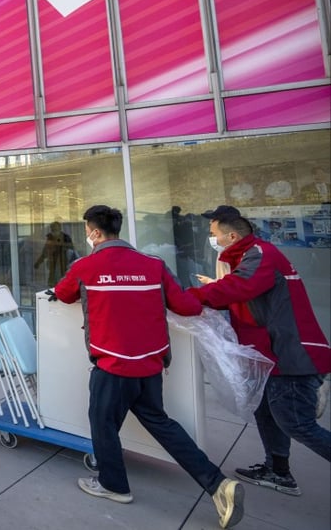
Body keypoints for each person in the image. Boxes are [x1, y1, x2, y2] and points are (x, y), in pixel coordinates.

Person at [51, 205, 243, 529]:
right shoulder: (153, 265)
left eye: (87, 231)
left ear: (95, 233)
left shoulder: (86, 266)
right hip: (151, 364)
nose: (87, 236)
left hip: (112, 364)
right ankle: (217, 483)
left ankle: (114, 485)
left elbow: (62, 293)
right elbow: (185, 305)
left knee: (102, 422)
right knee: (161, 422)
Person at [192, 208, 331, 496]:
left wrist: (188, 296)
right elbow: (241, 293)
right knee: (266, 412)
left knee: (296, 423)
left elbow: (240, 288)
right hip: (269, 354)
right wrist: (216, 291)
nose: (212, 239)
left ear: (231, 235)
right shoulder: (245, 258)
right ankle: (278, 471)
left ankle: (279, 468)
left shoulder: (259, 254)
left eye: (214, 234)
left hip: (289, 353)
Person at [34, 221, 74, 287]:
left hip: (63, 264)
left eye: (56, 229)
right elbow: (45, 252)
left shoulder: (66, 238)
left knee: (64, 281)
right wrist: (38, 262)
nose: (54, 231)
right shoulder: (50, 238)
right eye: (53, 229)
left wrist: (62, 245)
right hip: (52, 264)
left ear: (60, 228)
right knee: (53, 282)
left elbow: (72, 250)